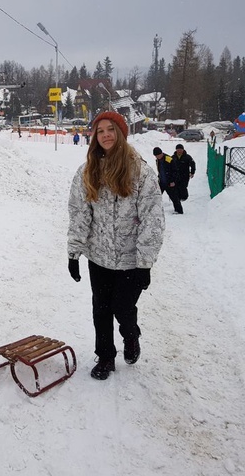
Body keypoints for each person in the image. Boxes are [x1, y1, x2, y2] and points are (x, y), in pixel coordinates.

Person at [68, 112, 165, 380]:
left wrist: (145, 263)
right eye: (100, 131)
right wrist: (74, 252)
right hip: (98, 257)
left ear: (121, 133)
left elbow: (152, 219)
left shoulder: (140, 171)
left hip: (131, 259)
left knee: (122, 307)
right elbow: (80, 212)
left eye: (111, 130)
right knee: (101, 309)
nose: (106, 135)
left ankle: (131, 336)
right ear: (95, 137)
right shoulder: (88, 171)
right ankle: (106, 356)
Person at [153, 147, 184, 214]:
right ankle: (154, 211)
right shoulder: (157, 160)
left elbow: (175, 171)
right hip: (162, 182)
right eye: (156, 156)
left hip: (169, 182)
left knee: (174, 197)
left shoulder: (168, 159)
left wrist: (172, 181)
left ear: (161, 153)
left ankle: (179, 211)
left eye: (158, 155)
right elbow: (160, 170)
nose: (157, 157)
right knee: (156, 196)